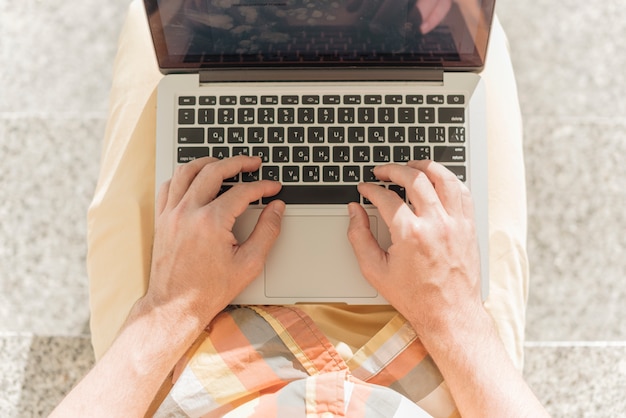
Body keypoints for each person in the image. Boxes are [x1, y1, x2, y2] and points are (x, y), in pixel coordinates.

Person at [51, 1, 548, 416]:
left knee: (159, 31)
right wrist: (455, 315)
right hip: (437, 361)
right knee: (464, 35)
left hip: (192, 360)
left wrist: (166, 309)